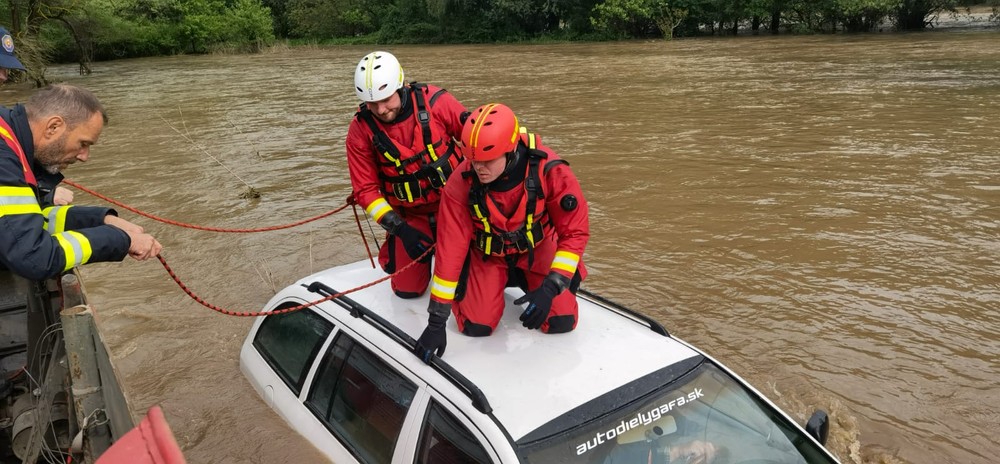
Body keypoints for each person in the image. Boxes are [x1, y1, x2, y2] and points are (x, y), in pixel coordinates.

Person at [414, 103, 589, 362]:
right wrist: (436, 322)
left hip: (537, 249)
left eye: (486, 161)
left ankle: (529, 280)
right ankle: (491, 285)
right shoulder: (461, 182)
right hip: (488, 255)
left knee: (562, 322)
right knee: (476, 327)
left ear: (511, 151)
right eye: (472, 160)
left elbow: (575, 232)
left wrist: (552, 286)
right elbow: (450, 251)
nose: (478, 168)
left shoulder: (550, 171)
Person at [0, 83, 162, 281]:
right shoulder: (4, 160)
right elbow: (34, 257)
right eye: (83, 143)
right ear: (53, 127)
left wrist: (102, 220)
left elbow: (31, 218)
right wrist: (120, 240)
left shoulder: (9, 139)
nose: (85, 156)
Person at [345, 50, 467, 298]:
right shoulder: (360, 131)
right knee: (406, 291)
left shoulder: (437, 102)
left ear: (400, 86)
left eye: (387, 99)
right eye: (372, 104)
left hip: (457, 208)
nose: (381, 109)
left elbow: (479, 137)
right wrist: (401, 229)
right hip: (410, 217)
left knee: (462, 289)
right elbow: (366, 191)